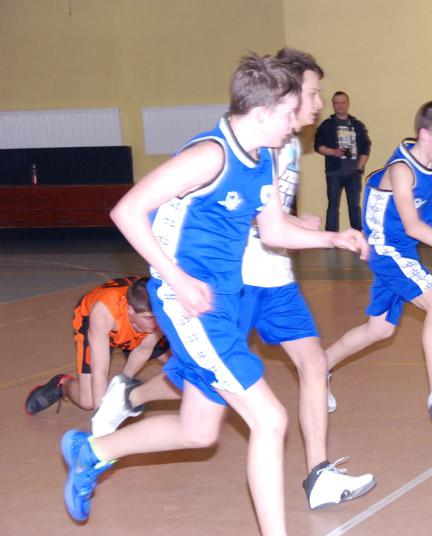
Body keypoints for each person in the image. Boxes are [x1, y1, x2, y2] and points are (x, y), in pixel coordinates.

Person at [59, 53, 368, 535]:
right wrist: (176, 279)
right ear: (262, 112)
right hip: (188, 303)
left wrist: (333, 237)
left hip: (223, 300)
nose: (297, 124)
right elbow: (127, 211)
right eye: (291, 113)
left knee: (198, 430)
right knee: (270, 420)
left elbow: (273, 230)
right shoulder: (211, 155)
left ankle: (92, 451)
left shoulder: (262, 159)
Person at [325, 100, 432, 422]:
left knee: (379, 330)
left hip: (402, 248)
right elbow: (412, 225)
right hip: (387, 247)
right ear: (424, 134)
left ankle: (319, 368)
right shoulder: (402, 170)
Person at [24, 275, 168, 415]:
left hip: (133, 324)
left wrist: (122, 383)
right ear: (130, 310)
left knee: (179, 365)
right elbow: (100, 371)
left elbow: (143, 350)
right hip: (95, 322)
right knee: (89, 401)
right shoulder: (102, 315)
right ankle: (62, 386)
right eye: (149, 318)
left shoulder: (163, 312)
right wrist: (102, 418)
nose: (155, 323)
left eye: (157, 317)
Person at [314, 91, 371, 231]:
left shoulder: (357, 125)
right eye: (337, 103)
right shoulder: (326, 125)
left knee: (354, 207)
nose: (340, 105)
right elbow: (318, 146)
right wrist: (333, 152)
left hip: (354, 173)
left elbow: (366, 145)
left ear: (348, 104)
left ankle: (358, 236)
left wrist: (360, 165)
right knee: (333, 206)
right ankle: (331, 238)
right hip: (334, 172)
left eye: (343, 102)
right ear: (333, 105)